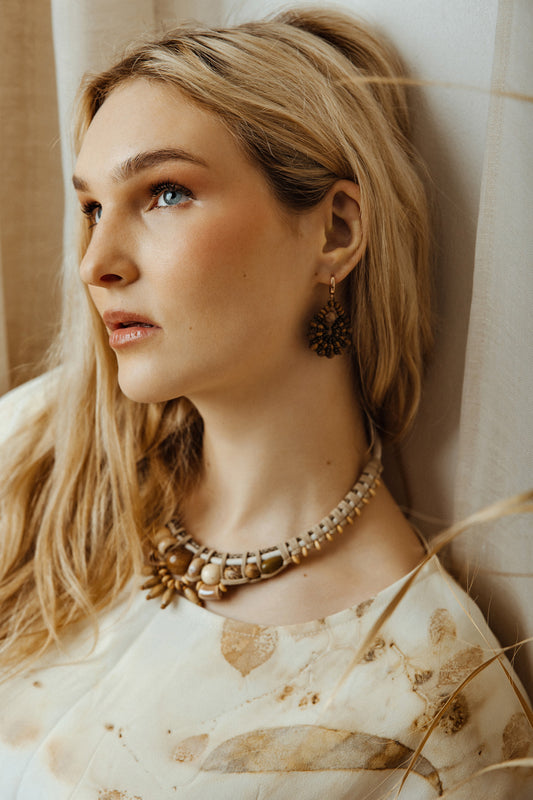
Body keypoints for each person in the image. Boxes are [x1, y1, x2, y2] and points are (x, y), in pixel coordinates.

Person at [0, 8, 531, 799]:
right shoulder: (35, 452)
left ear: (335, 229)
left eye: (166, 192)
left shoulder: (430, 698)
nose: (96, 263)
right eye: (91, 208)